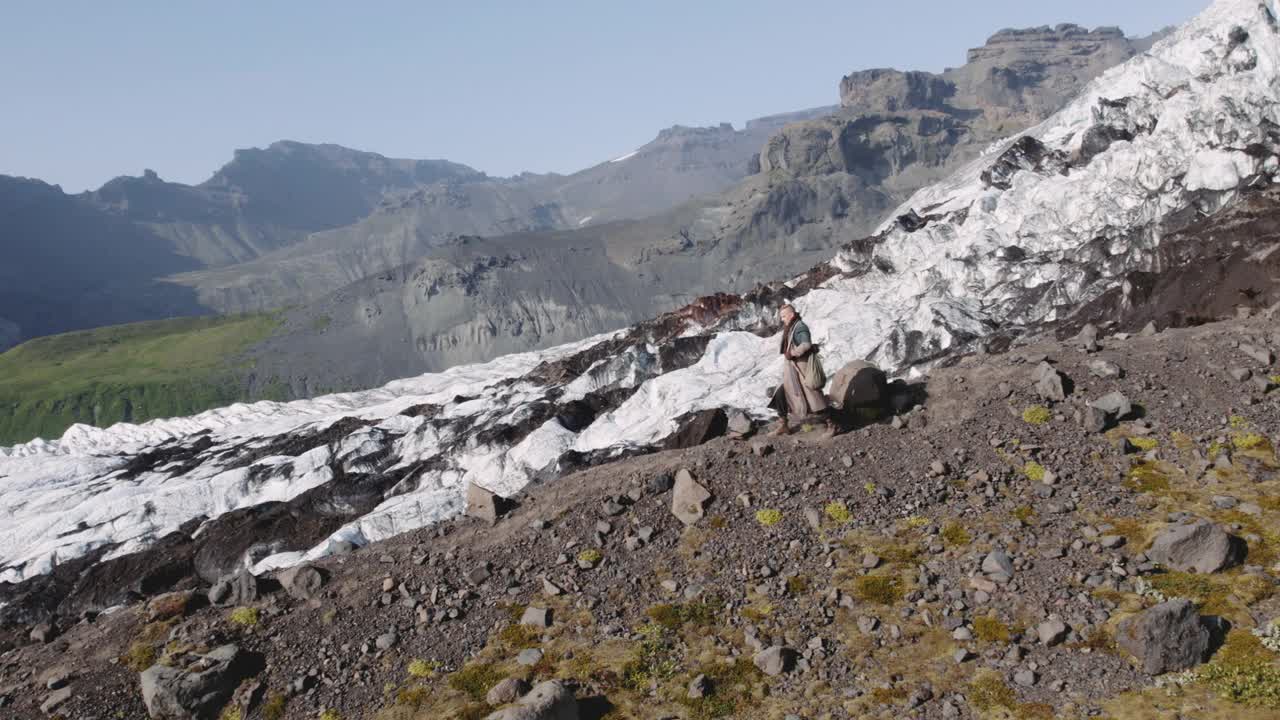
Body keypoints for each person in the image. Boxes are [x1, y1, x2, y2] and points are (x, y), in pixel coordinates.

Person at [771, 304, 836, 436]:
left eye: (784, 316)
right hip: (793, 372)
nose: (782, 319)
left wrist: (793, 353)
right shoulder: (792, 327)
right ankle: (783, 425)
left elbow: (806, 344)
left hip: (801, 371)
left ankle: (833, 426)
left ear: (791, 315)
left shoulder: (799, 326)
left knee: (815, 399)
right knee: (780, 394)